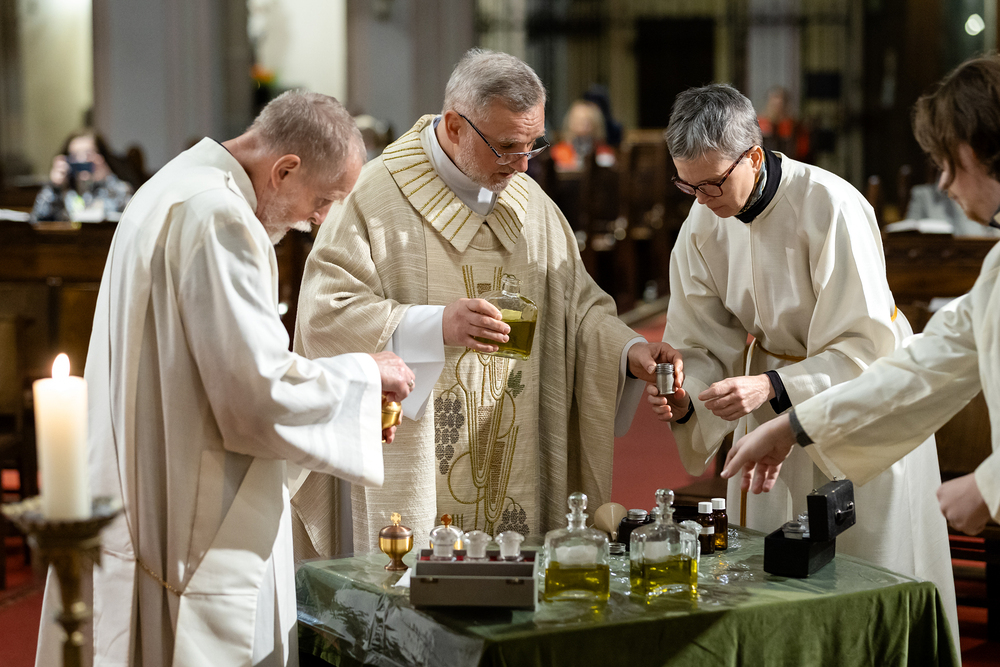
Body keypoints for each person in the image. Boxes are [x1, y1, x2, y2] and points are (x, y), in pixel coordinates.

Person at [34, 91, 415, 667]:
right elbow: (254, 393)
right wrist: (365, 375)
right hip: (190, 516)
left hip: (149, 480)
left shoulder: (173, 183)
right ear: (285, 169)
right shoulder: (221, 218)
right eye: (321, 200)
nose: (318, 220)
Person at [290, 48, 681, 558]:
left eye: (533, 145)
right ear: (455, 126)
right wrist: (434, 325)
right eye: (506, 147)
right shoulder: (373, 197)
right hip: (413, 452)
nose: (523, 165)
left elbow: (579, 310)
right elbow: (325, 314)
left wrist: (629, 351)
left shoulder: (530, 204)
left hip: (513, 442)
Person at [648, 83, 958, 649]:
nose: (701, 199)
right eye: (687, 185)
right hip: (768, 397)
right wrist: (689, 395)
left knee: (867, 571)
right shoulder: (702, 221)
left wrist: (772, 385)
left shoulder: (831, 205)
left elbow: (867, 346)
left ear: (754, 156)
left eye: (712, 183)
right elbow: (699, 341)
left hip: (859, 403)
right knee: (776, 581)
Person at [723, 55, 1000, 565]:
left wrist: (990, 484)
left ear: (979, 151)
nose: (943, 184)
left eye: (947, 163)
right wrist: (794, 426)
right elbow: (930, 364)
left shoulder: (832, 200)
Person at [31, 130, 133, 222]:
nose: (81, 160)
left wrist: (106, 181)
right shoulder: (63, 192)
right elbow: (38, 219)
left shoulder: (116, 187)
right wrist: (55, 188)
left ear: (101, 157)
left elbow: (125, 216)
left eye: (88, 154)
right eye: (74, 155)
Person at [550, 99, 616, 172]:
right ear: (571, 123)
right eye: (579, 121)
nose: (584, 125)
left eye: (588, 121)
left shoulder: (603, 151)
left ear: (596, 124)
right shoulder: (559, 151)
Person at [757, 86, 810, 162]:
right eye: (774, 105)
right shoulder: (759, 124)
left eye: (780, 105)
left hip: (788, 164)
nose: (777, 108)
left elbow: (803, 151)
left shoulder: (794, 126)